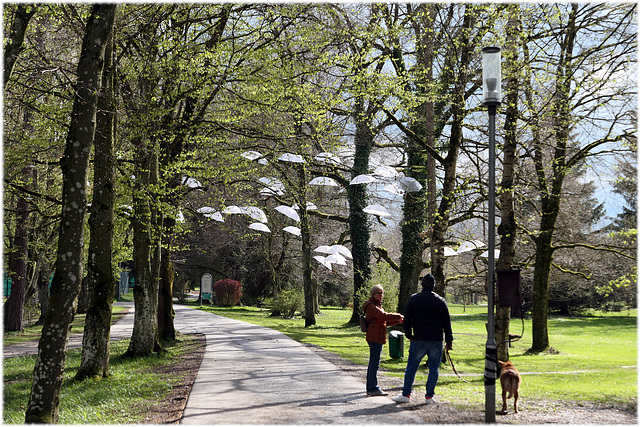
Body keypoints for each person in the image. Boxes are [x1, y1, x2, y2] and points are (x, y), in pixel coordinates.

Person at [392, 274, 453, 404]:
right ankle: (429, 397)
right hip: (436, 340)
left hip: (419, 338)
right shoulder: (440, 301)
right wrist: (449, 341)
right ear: (434, 286)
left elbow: (407, 320)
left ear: (422, 285)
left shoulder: (414, 299)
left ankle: (406, 394)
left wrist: (409, 335)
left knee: (412, 367)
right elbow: (447, 323)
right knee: (433, 369)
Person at [363, 284, 403, 396]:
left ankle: (372, 387)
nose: (381, 295)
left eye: (382, 293)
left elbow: (383, 321)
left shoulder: (377, 305)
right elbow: (383, 316)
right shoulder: (371, 306)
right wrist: (399, 316)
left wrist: (396, 322)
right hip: (374, 336)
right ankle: (372, 388)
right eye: (379, 293)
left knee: (375, 363)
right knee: (374, 363)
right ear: (373, 294)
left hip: (378, 336)